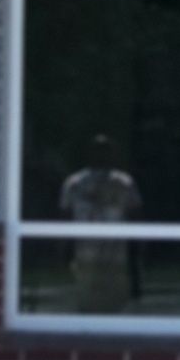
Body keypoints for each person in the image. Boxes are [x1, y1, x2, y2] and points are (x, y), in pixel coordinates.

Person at [60, 132, 142, 314]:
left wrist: (135, 253)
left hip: (115, 253)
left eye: (105, 150)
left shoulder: (124, 183)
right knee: (87, 299)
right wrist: (65, 248)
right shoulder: (74, 184)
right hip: (85, 253)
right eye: (97, 150)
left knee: (115, 301)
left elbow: (135, 216)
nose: (101, 155)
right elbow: (65, 217)